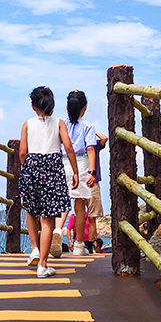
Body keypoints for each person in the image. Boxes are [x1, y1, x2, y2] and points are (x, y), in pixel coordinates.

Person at [18, 86, 80, 277]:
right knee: (48, 218)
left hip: (32, 165)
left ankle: (34, 248)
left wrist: (27, 166)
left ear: (32, 106)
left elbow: (22, 152)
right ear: (53, 106)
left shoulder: (27, 124)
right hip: (52, 167)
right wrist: (75, 171)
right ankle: (43, 265)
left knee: (31, 209)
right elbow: (68, 148)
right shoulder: (59, 123)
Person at [57, 90, 98, 256]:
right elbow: (90, 149)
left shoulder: (61, 124)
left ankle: (58, 230)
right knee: (79, 207)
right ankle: (79, 245)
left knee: (62, 201)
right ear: (85, 107)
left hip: (62, 162)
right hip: (80, 162)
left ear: (66, 107)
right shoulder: (88, 127)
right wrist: (92, 172)